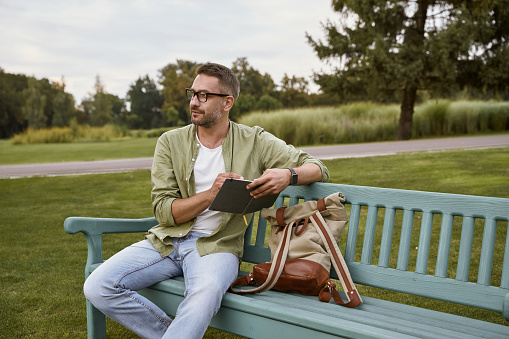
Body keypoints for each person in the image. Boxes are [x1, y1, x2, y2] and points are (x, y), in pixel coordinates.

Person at [83, 62, 329, 338]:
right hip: (166, 242)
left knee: (203, 294)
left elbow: (318, 167)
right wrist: (212, 195)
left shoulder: (254, 140)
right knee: (98, 286)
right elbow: (164, 212)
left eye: (203, 95)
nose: (193, 102)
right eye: (192, 93)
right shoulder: (170, 142)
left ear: (227, 102)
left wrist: (288, 175)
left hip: (218, 247)